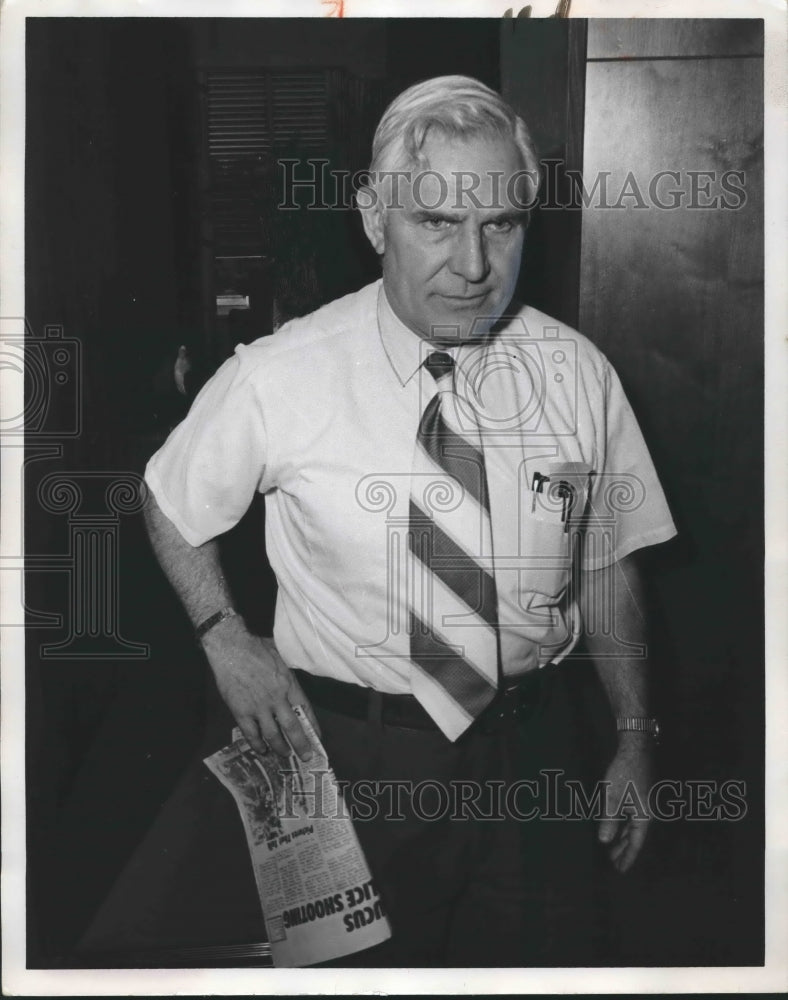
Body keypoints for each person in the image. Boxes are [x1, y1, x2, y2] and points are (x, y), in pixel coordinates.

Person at [143, 75, 677, 967]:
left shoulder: (578, 373)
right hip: (347, 762)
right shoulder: (281, 375)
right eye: (436, 223)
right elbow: (167, 499)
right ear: (372, 217)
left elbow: (606, 565)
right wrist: (222, 633)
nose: (473, 266)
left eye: (499, 225)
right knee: (345, 982)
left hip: (534, 756)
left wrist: (633, 737)